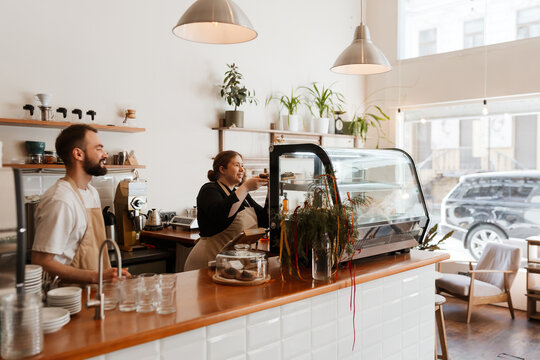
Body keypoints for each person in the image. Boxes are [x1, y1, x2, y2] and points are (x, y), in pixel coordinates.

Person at [32, 124, 129, 284]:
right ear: (78, 154)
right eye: (98, 149)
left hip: (94, 291)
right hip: (68, 296)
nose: (104, 155)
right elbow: (41, 262)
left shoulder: (91, 192)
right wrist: (94, 276)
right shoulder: (61, 199)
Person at [184, 150, 269, 271]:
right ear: (222, 169)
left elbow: (265, 221)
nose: (242, 169)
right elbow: (222, 215)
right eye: (236, 165)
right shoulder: (209, 189)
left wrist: (270, 192)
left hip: (232, 262)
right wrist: (245, 187)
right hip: (208, 261)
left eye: (242, 165)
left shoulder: (242, 195)